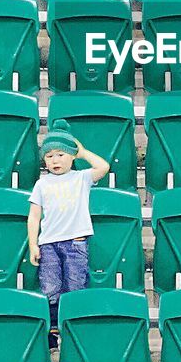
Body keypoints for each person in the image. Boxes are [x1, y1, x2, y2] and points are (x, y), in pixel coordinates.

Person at [28, 119, 110, 349]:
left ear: (71, 157)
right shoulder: (41, 184)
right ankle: (53, 330)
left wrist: (82, 152)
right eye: (50, 155)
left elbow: (103, 167)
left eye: (61, 154)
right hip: (48, 244)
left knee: (75, 286)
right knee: (50, 287)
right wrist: (33, 245)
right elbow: (34, 216)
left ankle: (74, 329)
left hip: (75, 242)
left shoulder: (81, 178)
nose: (55, 160)